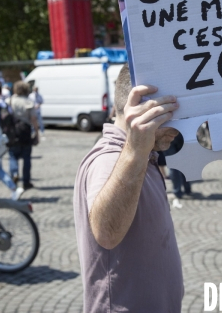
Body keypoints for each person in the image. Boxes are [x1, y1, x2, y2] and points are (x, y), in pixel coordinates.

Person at [73, 64, 183, 312]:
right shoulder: (110, 160)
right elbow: (107, 233)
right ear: (142, 112)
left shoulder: (142, 155)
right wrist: (135, 150)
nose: (178, 128)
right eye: (169, 114)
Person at [8, 81, 39, 190]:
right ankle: (26, 181)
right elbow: (33, 119)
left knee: (12, 156)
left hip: (12, 132)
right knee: (27, 158)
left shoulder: (10, 100)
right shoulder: (28, 102)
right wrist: (37, 132)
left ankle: (14, 173)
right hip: (25, 131)